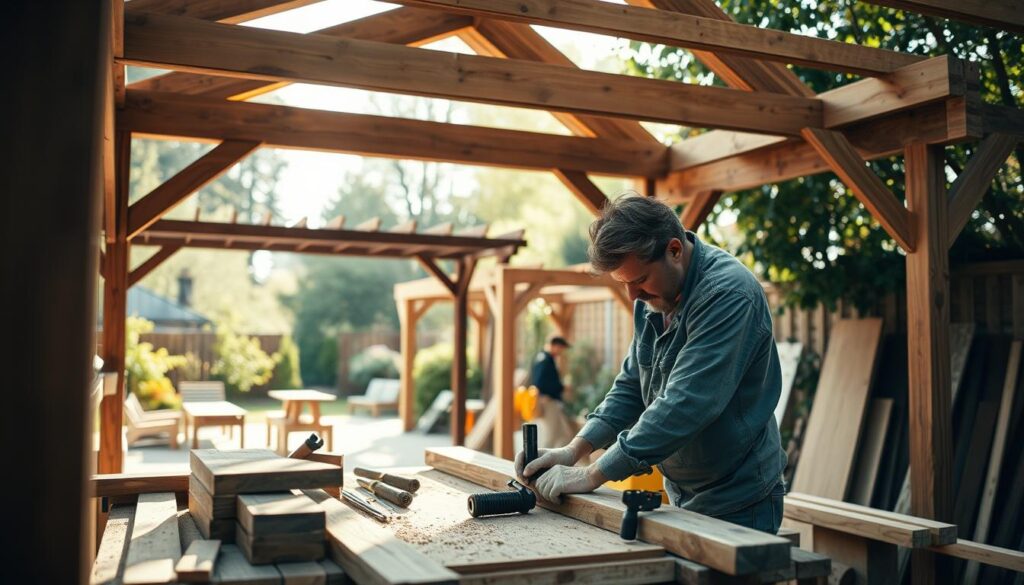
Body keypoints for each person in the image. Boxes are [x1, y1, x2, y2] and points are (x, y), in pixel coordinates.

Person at [515, 194, 787, 534]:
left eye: (639, 280)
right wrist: (573, 451)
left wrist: (592, 474)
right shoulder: (656, 296)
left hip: (738, 497)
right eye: (625, 284)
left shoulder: (728, 294)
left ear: (674, 250)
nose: (632, 296)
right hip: (684, 492)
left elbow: (686, 405)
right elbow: (631, 386)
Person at [528, 336, 576, 447]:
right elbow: (541, 383)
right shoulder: (546, 360)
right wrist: (562, 387)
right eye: (561, 348)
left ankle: (560, 460)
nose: (562, 352)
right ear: (555, 346)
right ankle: (542, 463)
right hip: (548, 401)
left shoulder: (540, 357)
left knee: (565, 435)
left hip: (548, 401)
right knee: (551, 437)